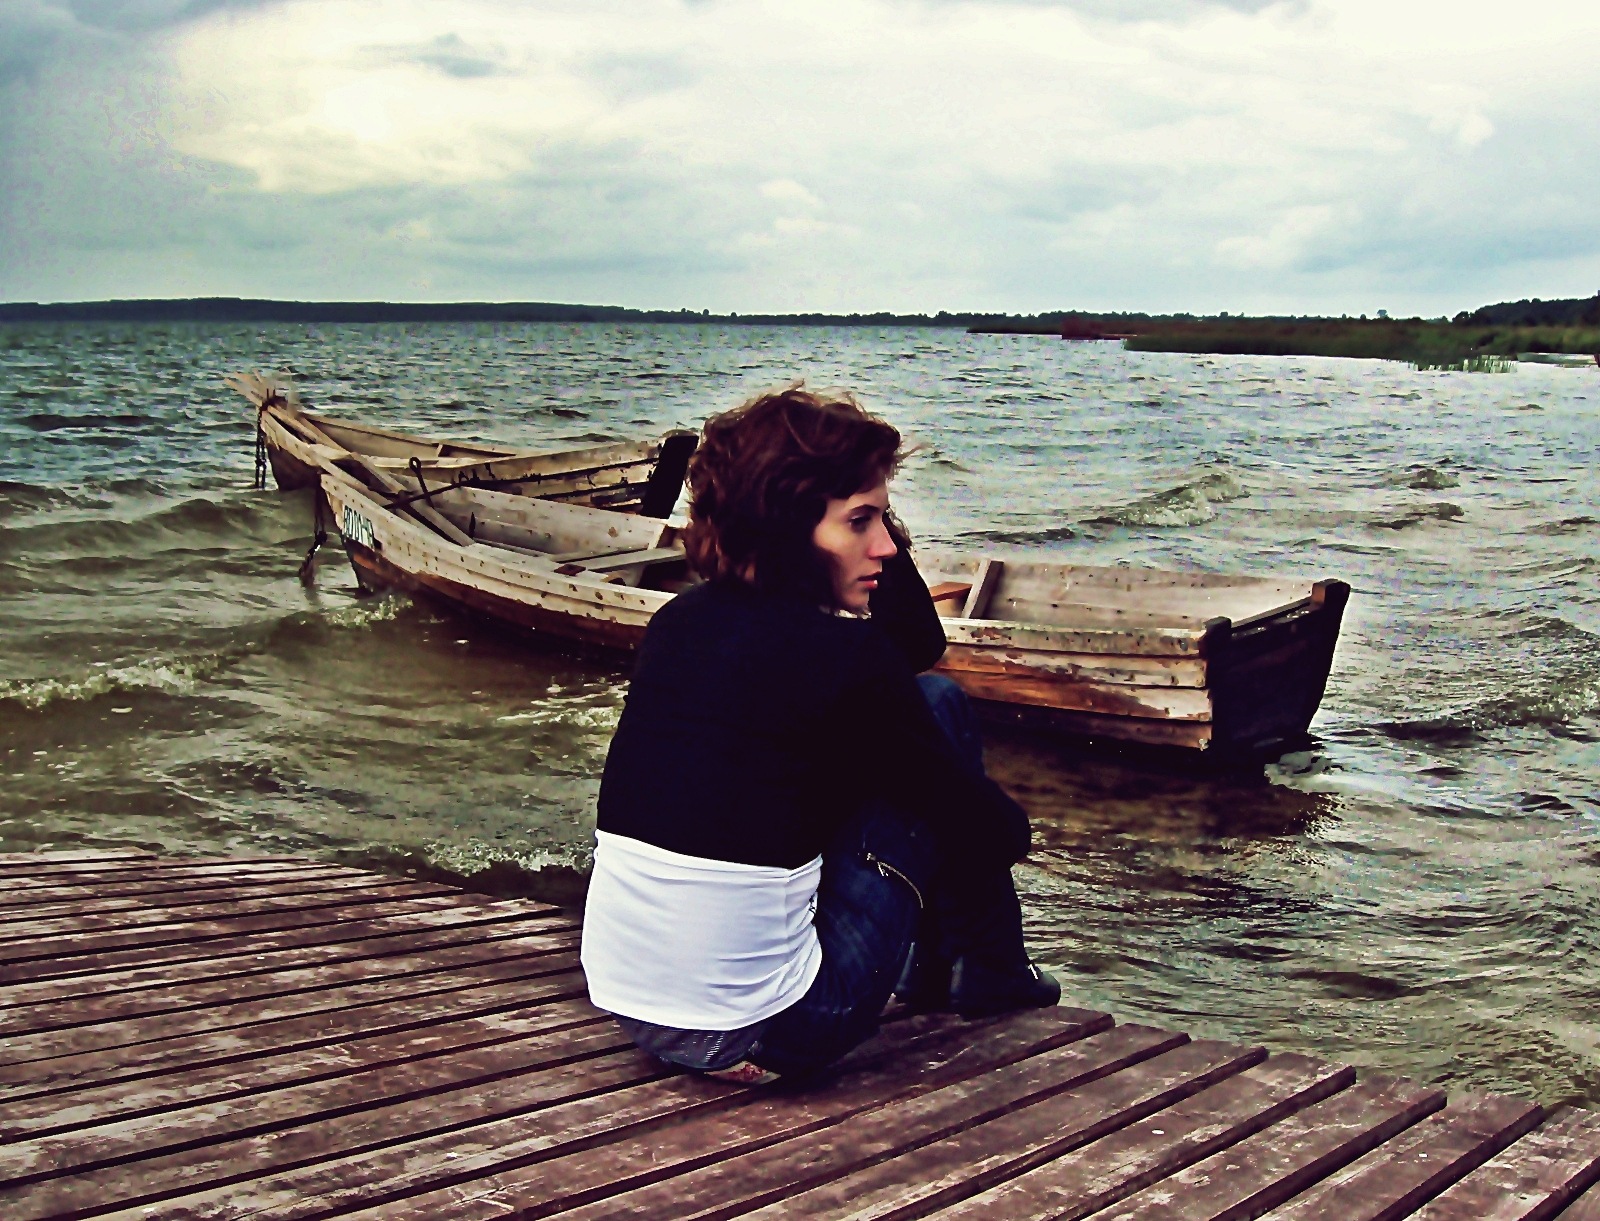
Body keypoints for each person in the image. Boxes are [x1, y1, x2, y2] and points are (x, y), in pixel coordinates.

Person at [579, 385, 1058, 1084]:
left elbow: (909, 643)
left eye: (885, 519)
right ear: (786, 527)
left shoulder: (676, 624)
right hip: (779, 1029)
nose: (886, 545)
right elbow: (993, 834)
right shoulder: (846, 658)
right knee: (940, 707)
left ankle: (957, 967)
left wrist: (859, 532)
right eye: (861, 521)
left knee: (874, 753)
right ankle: (989, 969)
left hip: (635, 1009)